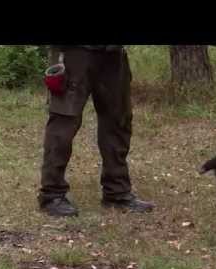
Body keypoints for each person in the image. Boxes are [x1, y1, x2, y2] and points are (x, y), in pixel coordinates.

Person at [38, 45, 154, 217]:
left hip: (113, 53)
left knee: (118, 121)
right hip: (74, 52)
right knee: (64, 123)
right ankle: (52, 194)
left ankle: (117, 192)